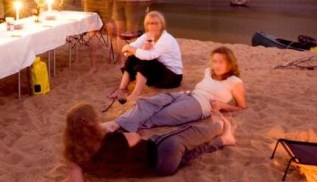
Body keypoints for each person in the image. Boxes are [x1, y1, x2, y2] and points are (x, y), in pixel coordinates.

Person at [63, 102, 235, 182]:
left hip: (161, 170)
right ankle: (219, 126)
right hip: (163, 151)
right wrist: (105, 129)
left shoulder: (74, 156)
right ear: (94, 123)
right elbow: (135, 138)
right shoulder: (111, 140)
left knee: (190, 154)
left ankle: (224, 140)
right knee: (189, 132)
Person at [103, 46, 246, 133]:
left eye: (221, 62)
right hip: (187, 95)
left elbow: (242, 107)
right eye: (215, 61)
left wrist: (222, 105)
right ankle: (115, 123)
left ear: (230, 63)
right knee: (147, 103)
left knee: (160, 115)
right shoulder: (209, 71)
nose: (217, 65)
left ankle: (115, 128)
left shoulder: (235, 81)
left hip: (200, 105)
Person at [108, 11, 182, 102]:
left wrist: (132, 49)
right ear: (146, 25)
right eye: (150, 23)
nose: (153, 26)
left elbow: (149, 56)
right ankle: (122, 89)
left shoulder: (166, 39)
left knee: (146, 61)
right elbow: (127, 50)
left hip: (172, 77)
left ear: (161, 25)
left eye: (156, 23)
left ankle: (136, 93)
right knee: (133, 58)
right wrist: (132, 50)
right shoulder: (147, 36)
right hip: (157, 72)